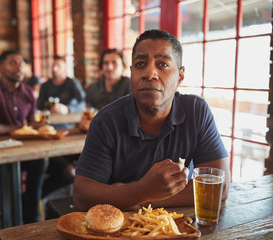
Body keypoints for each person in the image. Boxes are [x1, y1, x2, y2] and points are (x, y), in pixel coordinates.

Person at [73, 29, 230, 211]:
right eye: (140, 64)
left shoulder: (196, 111)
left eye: (162, 64)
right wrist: (143, 188)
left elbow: (219, 187)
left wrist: (138, 196)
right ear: (131, 73)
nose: (150, 73)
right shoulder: (106, 120)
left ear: (180, 76)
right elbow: (81, 197)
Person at [0, 50, 47, 223]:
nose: (19, 67)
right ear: (0, 67)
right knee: (32, 165)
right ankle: (22, 218)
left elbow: (31, 124)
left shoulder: (28, 91)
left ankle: (25, 205)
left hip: (24, 149)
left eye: (21, 62)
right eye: (12, 63)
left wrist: (40, 125)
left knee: (65, 170)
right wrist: (18, 128)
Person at [37, 55, 85, 201]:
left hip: (68, 132)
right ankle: (36, 198)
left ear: (65, 69)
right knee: (46, 166)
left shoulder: (72, 83)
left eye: (58, 66)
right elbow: (38, 108)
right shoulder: (45, 86)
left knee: (73, 170)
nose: (54, 69)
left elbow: (83, 103)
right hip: (47, 133)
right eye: (53, 66)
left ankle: (36, 197)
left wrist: (67, 108)